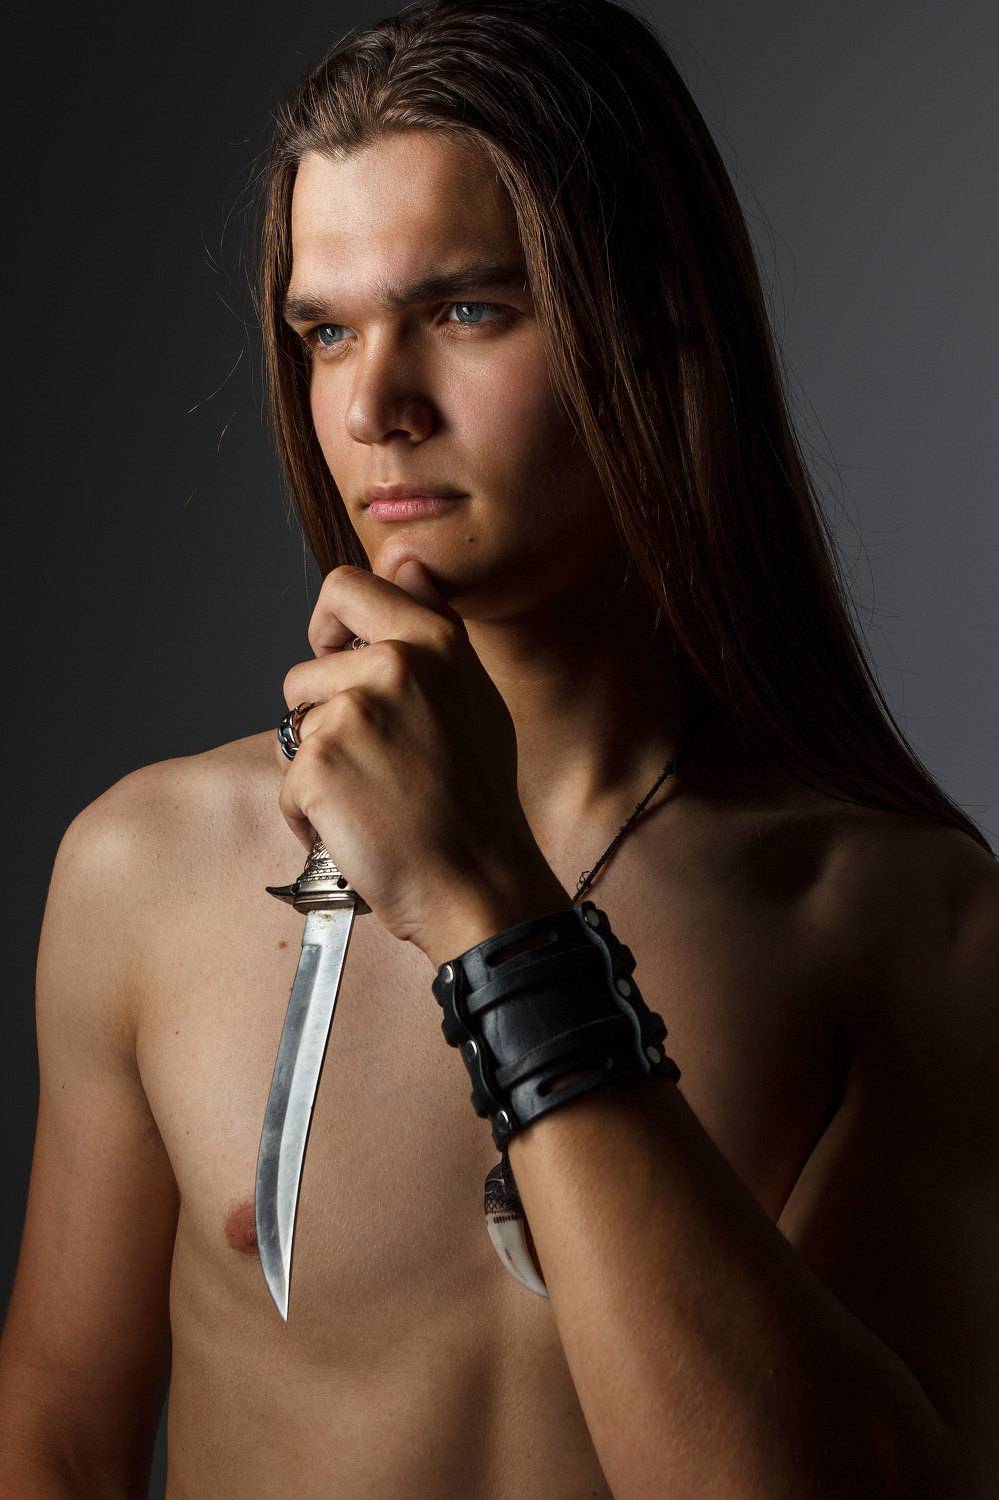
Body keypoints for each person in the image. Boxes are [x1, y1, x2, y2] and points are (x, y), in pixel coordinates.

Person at [1, 0, 996, 1494]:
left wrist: (497, 918)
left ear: (654, 326)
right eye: (327, 331)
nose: (372, 406)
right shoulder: (143, 872)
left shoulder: (909, 926)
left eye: (466, 311)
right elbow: (55, 1442)